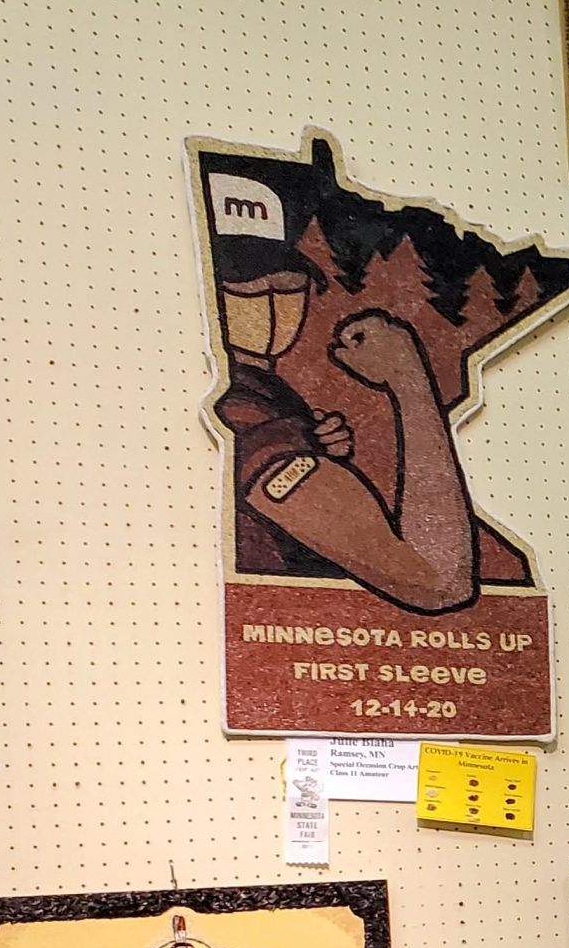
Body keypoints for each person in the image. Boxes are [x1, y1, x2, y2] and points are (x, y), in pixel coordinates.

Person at [204, 168, 512, 614]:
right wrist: (409, 382)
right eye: (243, 288)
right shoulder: (247, 419)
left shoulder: (263, 395)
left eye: (287, 283)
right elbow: (437, 579)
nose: (272, 300)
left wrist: (310, 444)